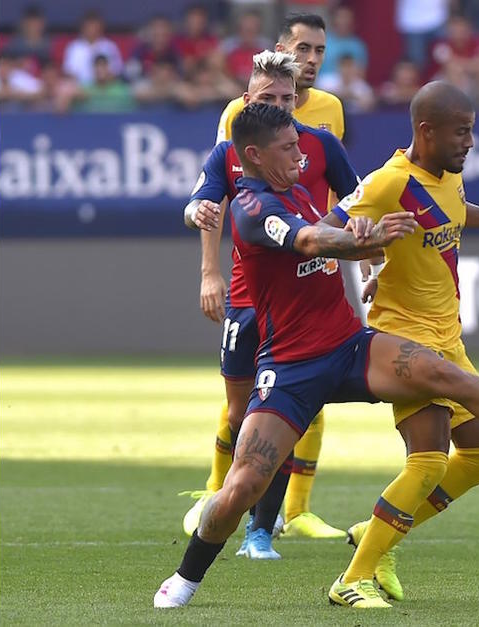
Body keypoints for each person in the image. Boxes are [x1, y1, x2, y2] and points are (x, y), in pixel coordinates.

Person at [154, 102, 479, 609]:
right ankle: (185, 578)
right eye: (289, 147)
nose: (302, 153)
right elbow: (309, 239)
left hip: (349, 346)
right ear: (254, 155)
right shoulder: (252, 208)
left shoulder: (297, 187)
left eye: (300, 142)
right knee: (243, 486)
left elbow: (338, 227)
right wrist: (361, 239)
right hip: (291, 368)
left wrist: (364, 245)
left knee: (442, 373)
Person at [324, 79, 479, 604]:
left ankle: (377, 533)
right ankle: (352, 580)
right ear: (426, 131)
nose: (470, 142)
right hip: (405, 341)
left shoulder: (448, 174)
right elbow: (323, 230)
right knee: (427, 462)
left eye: (472, 131)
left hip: (449, 339)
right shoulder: (387, 182)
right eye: (462, 132)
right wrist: (363, 244)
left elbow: (455, 212)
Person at [183, 51, 361, 559]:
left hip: (304, 299)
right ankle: (226, 498)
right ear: (247, 101)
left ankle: (261, 529)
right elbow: (200, 203)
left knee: (287, 414)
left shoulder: (320, 144)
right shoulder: (232, 151)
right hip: (247, 299)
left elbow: (362, 199)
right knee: (242, 413)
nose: (282, 107)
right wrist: (209, 266)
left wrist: (366, 259)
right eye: (270, 99)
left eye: (289, 98)